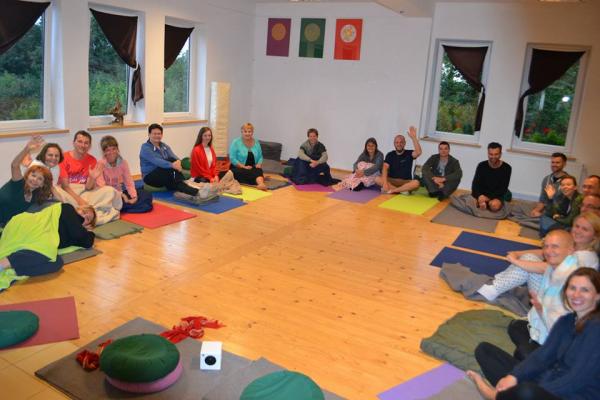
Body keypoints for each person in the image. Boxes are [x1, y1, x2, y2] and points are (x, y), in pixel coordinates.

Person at [467, 267, 600, 400]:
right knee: (485, 351)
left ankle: (495, 396)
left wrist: (538, 390)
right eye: (572, 288)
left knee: (527, 391)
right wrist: (514, 377)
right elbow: (543, 356)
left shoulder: (596, 328)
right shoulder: (566, 321)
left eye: (585, 290)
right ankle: (511, 395)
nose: (576, 295)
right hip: (549, 380)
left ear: (597, 295)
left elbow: (577, 379)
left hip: (574, 393)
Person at [477, 212, 600, 302]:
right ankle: (496, 286)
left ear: (595, 236)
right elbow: (545, 251)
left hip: (558, 300)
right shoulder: (575, 246)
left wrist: (516, 261)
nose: (578, 231)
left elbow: (546, 268)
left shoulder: (586, 257)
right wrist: (518, 253)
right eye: (577, 226)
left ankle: (494, 288)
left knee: (529, 263)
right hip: (555, 289)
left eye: (585, 229)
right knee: (529, 258)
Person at [0, 202, 95, 277]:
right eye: (84, 212)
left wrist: (87, 231)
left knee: (56, 263)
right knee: (45, 251)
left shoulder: (74, 234)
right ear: (78, 209)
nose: (84, 216)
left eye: (87, 219)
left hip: (41, 239)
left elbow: (86, 242)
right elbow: (80, 235)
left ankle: (14, 270)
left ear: (87, 225)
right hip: (30, 226)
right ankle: (5, 262)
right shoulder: (68, 208)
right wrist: (87, 231)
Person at [0, 137, 53, 226]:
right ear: (27, 175)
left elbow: (54, 197)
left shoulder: (37, 195)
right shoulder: (18, 183)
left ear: (42, 184)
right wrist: (27, 149)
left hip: (7, 227)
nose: (35, 179)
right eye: (33, 175)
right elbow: (14, 165)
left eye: (40, 179)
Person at [96, 136, 152, 213]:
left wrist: (134, 196)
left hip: (121, 193)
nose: (111, 152)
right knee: (145, 205)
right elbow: (103, 187)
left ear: (117, 149)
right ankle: (130, 206)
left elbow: (129, 182)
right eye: (108, 150)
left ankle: (125, 207)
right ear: (104, 152)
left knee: (147, 195)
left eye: (114, 149)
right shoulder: (100, 164)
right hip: (108, 195)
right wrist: (121, 195)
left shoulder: (123, 163)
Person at [140, 123, 199, 196]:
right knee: (171, 165)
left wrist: (178, 162)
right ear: (149, 134)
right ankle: (189, 186)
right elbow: (157, 161)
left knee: (173, 177)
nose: (157, 136)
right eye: (154, 134)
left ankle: (193, 191)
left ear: (162, 135)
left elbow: (174, 156)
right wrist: (172, 165)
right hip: (150, 177)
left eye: (159, 134)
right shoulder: (145, 148)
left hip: (165, 173)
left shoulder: (164, 146)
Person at [376, 126, 422, 194]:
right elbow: (385, 168)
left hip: (405, 182)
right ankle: (402, 190)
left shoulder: (409, 153)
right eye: (397, 142)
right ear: (394, 144)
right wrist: (385, 183)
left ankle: (394, 190)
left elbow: (418, 152)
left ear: (404, 143)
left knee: (416, 183)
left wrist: (414, 138)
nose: (399, 144)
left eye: (401, 142)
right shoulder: (390, 154)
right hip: (392, 180)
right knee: (377, 179)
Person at [471, 142, 512, 212]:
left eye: (496, 154)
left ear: (500, 154)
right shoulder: (481, 165)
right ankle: (483, 204)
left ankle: (486, 204)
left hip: (498, 194)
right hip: (483, 193)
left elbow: (502, 189)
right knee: (471, 203)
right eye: (491, 154)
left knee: (494, 206)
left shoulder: (507, 168)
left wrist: (487, 199)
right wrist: (480, 196)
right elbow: (475, 185)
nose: (493, 157)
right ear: (488, 154)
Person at [229, 123, 267, 190]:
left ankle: (261, 184)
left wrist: (259, 163)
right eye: (245, 131)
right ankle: (257, 181)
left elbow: (260, 156)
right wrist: (243, 166)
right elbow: (232, 158)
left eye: (249, 131)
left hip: (252, 167)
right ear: (242, 131)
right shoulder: (236, 142)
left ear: (252, 132)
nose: (247, 133)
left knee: (258, 170)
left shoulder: (256, 142)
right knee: (246, 172)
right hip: (238, 167)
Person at [530, 153, 568, 218]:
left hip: (558, 214)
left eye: (557, 162)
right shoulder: (546, 179)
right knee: (521, 207)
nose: (554, 165)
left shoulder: (568, 181)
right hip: (547, 209)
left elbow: (565, 206)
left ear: (564, 164)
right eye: (553, 162)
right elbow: (542, 200)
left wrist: (552, 197)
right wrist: (536, 210)